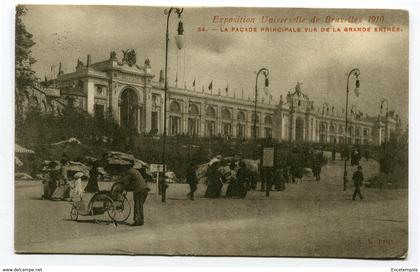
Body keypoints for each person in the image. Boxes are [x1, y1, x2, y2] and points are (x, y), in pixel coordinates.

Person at [122, 160, 150, 226]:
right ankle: (141, 220)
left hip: (139, 189)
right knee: (140, 205)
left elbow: (125, 182)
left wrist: (123, 189)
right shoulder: (135, 171)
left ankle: (137, 220)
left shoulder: (129, 171)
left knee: (137, 205)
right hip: (145, 189)